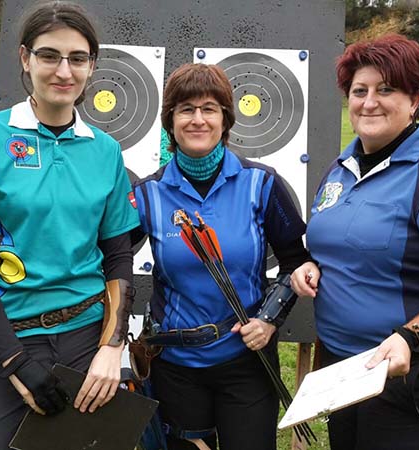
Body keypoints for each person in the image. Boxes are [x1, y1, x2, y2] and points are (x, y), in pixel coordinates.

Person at [0, 2, 140, 448]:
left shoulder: (105, 150)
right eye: (50, 56)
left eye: (78, 58)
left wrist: (112, 346)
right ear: (25, 59)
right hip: (8, 338)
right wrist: (15, 363)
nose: (64, 71)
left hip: (88, 337)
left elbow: (119, 255)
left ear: (92, 66)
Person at [290, 34, 419, 450]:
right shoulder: (340, 168)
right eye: (359, 91)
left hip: (409, 373)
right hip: (342, 370)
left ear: (415, 99)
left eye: (386, 90)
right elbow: (333, 244)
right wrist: (311, 265)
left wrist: (409, 337)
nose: (370, 102)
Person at [132, 63, 309, 450]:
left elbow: (296, 261)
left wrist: (269, 320)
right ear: (171, 121)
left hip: (246, 361)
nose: (198, 119)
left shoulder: (261, 183)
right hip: (175, 365)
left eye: (209, 109)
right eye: (186, 109)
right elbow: (110, 261)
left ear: (225, 119)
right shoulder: (148, 194)